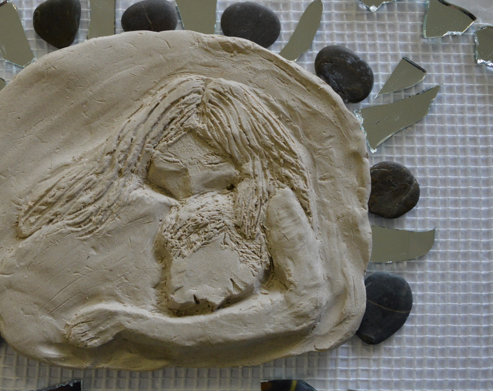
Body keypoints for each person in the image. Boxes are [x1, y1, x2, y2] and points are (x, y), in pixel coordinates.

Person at [17, 74, 326, 349]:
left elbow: (303, 305)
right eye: (173, 166)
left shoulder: (271, 203)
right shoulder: (123, 196)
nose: (191, 184)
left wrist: (140, 326)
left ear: (250, 159)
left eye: (213, 164)